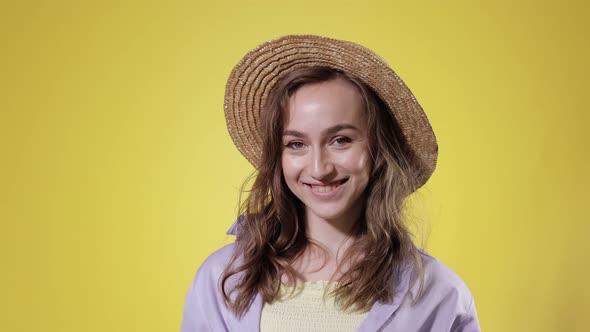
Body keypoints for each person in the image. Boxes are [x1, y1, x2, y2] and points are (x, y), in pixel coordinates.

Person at [181, 35, 480, 332]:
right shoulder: (224, 278)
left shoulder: (439, 295)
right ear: (278, 156)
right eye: (296, 144)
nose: (319, 168)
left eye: (341, 140)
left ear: (378, 148)